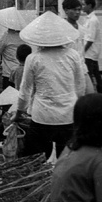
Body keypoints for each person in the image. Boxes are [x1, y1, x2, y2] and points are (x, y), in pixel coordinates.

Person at [16, 11, 87, 159]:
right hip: (68, 115)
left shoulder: (33, 58)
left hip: (42, 116)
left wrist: (19, 112)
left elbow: (25, 91)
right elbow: (80, 87)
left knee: (36, 161)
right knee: (67, 160)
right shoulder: (72, 55)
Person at [0, 8, 32, 90]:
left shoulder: (6, 36)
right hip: (23, 72)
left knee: (9, 97)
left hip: (9, 74)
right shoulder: (23, 36)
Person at [80, 0, 102, 94]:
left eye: (84, 5)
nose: (82, 7)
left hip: (90, 52)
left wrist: (83, 51)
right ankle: (101, 91)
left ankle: (93, 93)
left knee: (89, 74)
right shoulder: (89, 19)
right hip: (90, 52)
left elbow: (90, 40)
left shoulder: (93, 20)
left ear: (89, 6)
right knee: (96, 73)